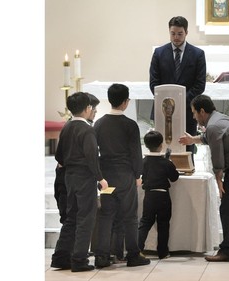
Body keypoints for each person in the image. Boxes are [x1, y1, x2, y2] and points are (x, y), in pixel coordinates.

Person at [178, 94, 229, 262]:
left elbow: (218, 157)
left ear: (202, 111)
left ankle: (228, 251)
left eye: (194, 113)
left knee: (228, 210)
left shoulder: (213, 125)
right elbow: (211, 138)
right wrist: (193, 139)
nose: (193, 117)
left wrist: (218, 180)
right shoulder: (221, 118)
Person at [93, 83, 151, 268]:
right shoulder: (129, 125)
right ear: (126, 102)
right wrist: (138, 174)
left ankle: (101, 256)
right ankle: (133, 254)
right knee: (130, 216)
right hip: (125, 175)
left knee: (106, 215)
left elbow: (96, 152)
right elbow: (135, 151)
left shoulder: (99, 123)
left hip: (106, 176)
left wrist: (99, 176)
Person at [50, 92, 108, 272]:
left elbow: (58, 155)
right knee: (86, 218)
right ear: (87, 108)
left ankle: (60, 257)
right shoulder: (87, 129)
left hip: (69, 177)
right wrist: (100, 178)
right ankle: (79, 259)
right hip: (84, 177)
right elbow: (92, 157)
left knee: (71, 217)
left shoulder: (66, 127)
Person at [149, 15, 206, 159]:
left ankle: (188, 173)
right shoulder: (159, 53)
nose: (176, 37)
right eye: (173, 33)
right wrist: (168, 102)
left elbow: (199, 85)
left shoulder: (198, 54)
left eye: (180, 34)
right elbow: (154, 83)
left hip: (187, 110)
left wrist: (180, 102)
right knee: (162, 147)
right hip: (163, 109)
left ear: (186, 32)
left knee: (187, 146)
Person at [53, 93, 100, 225]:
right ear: (86, 108)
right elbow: (62, 159)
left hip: (69, 180)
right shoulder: (81, 128)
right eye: (93, 108)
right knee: (72, 221)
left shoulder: (73, 126)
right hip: (68, 182)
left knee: (73, 222)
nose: (95, 112)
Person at [138, 130, 179, 259]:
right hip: (163, 197)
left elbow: (141, 178)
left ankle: (137, 249)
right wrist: (169, 162)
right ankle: (163, 252)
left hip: (149, 196)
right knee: (163, 224)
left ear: (146, 145)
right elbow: (174, 178)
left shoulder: (143, 162)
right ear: (161, 145)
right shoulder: (166, 163)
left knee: (145, 222)